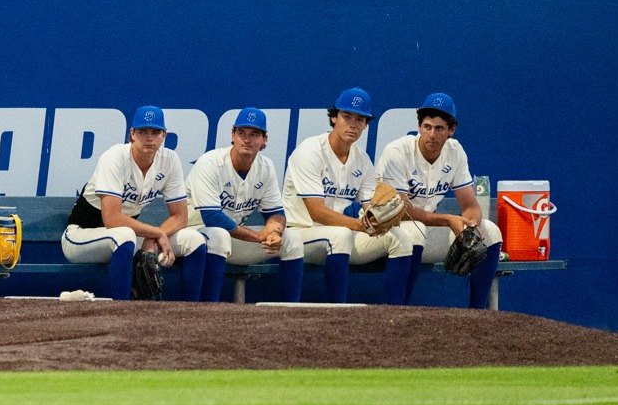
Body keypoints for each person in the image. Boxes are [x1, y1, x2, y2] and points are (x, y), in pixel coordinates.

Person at [281, 87, 425, 304]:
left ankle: (398, 312)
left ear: (366, 124)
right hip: (301, 233)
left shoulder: (362, 160)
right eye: (346, 116)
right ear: (333, 117)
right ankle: (339, 312)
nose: (353, 124)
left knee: (401, 237)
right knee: (340, 235)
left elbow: (370, 207)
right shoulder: (309, 151)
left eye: (360, 119)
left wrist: (383, 216)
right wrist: (360, 225)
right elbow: (316, 212)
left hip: (341, 237)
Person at [61, 105, 208, 301]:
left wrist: (152, 238)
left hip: (126, 239)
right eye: (142, 131)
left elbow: (181, 216)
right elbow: (112, 220)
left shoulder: (169, 160)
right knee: (125, 235)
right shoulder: (115, 157)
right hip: (80, 236)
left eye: (155, 132)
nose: (149, 137)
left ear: (164, 135)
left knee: (194, 240)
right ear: (132, 134)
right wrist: (156, 233)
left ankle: (193, 314)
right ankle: (123, 311)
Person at [374, 92, 503, 308]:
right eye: (427, 127)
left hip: (426, 231)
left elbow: (470, 205)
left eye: (439, 128)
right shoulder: (397, 151)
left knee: (490, 231)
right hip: (387, 229)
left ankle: (478, 316)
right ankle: (398, 313)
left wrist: (470, 225)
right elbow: (399, 211)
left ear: (451, 130)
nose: (432, 134)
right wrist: (449, 221)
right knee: (414, 232)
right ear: (419, 126)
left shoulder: (455, 152)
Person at [184, 108, 305, 302]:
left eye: (254, 134)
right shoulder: (210, 162)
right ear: (233, 135)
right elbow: (212, 218)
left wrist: (274, 231)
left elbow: (276, 212)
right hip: (197, 234)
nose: (247, 139)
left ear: (264, 140)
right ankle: (207, 312)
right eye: (241, 133)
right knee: (219, 235)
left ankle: (289, 312)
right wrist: (258, 236)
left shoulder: (265, 167)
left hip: (233, 238)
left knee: (292, 238)